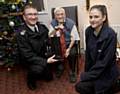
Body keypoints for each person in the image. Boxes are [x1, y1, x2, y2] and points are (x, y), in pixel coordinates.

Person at [75, 5, 119, 94]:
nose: (92, 20)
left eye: (96, 17)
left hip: (107, 71)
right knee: (79, 86)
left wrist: (87, 76)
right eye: (90, 17)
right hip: (95, 69)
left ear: (104, 18)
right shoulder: (88, 31)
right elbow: (88, 56)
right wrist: (87, 73)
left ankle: (114, 85)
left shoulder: (111, 35)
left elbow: (105, 62)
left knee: (89, 87)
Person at [16, 4, 58, 90]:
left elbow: (48, 41)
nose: (33, 17)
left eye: (35, 14)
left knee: (49, 78)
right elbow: (27, 55)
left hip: (42, 55)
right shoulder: (21, 34)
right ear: (24, 17)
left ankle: (43, 68)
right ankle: (30, 80)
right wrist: (46, 61)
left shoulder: (42, 27)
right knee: (38, 70)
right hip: (30, 60)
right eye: (30, 14)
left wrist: (54, 36)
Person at [49, 7, 80, 83]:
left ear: (65, 14)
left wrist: (68, 49)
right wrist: (55, 29)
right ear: (55, 16)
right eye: (57, 15)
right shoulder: (53, 23)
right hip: (58, 44)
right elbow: (50, 35)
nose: (60, 16)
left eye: (62, 14)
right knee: (54, 52)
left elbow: (74, 38)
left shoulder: (71, 23)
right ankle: (60, 66)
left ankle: (72, 71)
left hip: (69, 44)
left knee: (72, 54)